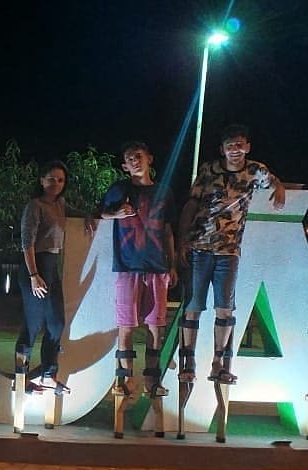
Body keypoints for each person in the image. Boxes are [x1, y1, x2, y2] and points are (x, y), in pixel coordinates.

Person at [177, 124, 285, 385]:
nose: (234, 150)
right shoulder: (208, 170)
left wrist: (280, 187)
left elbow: (273, 181)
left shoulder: (255, 170)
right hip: (200, 247)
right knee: (193, 307)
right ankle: (188, 361)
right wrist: (182, 241)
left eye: (239, 144)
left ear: (247, 147)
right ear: (222, 149)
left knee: (225, 308)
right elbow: (191, 204)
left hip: (229, 251)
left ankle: (219, 364)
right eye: (229, 145)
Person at [99, 141, 177, 397]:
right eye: (129, 158)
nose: (134, 160)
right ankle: (124, 379)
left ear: (149, 159)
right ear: (124, 166)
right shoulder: (119, 190)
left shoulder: (164, 192)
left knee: (156, 326)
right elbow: (99, 214)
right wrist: (116, 213)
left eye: (138, 156)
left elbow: (168, 230)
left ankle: (152, 380)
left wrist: (172, 264)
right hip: (127, 266)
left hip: (157, 267)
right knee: (126, 325)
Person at [15, 160, 71, 393]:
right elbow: (27, 241)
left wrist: (94, 217)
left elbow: (77, 215)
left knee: (57, 323)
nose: (56, 183)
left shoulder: (61, 204)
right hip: (35, 266)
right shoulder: (35, 205)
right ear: (41, 181)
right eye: (51, 179)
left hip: (52, 267)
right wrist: (34, 274)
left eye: (60, 180)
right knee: (32, 324)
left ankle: (48, 374)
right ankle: (21, 379)